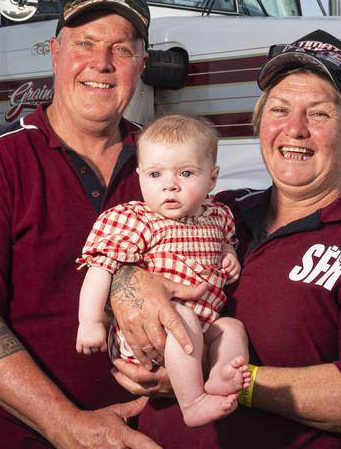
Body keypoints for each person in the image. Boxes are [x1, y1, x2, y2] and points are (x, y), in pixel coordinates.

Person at [111, 29, 341, 448]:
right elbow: (128, 249)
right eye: (279, 110)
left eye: (319, 114)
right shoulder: (221, 212)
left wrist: (226, 379)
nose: (294, 130)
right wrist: (126, 283)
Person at [0, 0, 198, 449]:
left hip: (144, 435)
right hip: (18, 437)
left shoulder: (164, 164)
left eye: (122, 50)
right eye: (84, 44)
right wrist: (64, 423)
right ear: (54, 52)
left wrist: (189, 366)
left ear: (142, 65)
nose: (102, 64)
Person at [76, 114, 251, 427]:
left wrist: (228, 255)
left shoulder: (218, 215)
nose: (170, 185)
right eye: (155, 174)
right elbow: (100, 267)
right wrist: (89, 322)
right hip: (150, 331)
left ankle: (223, 374)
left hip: (202, 322)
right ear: (140, 175)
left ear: (212, 179)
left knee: (232, 327)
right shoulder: (137, 220)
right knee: (182, 318)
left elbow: (225, 244)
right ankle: (193, 402)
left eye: (185, 173)